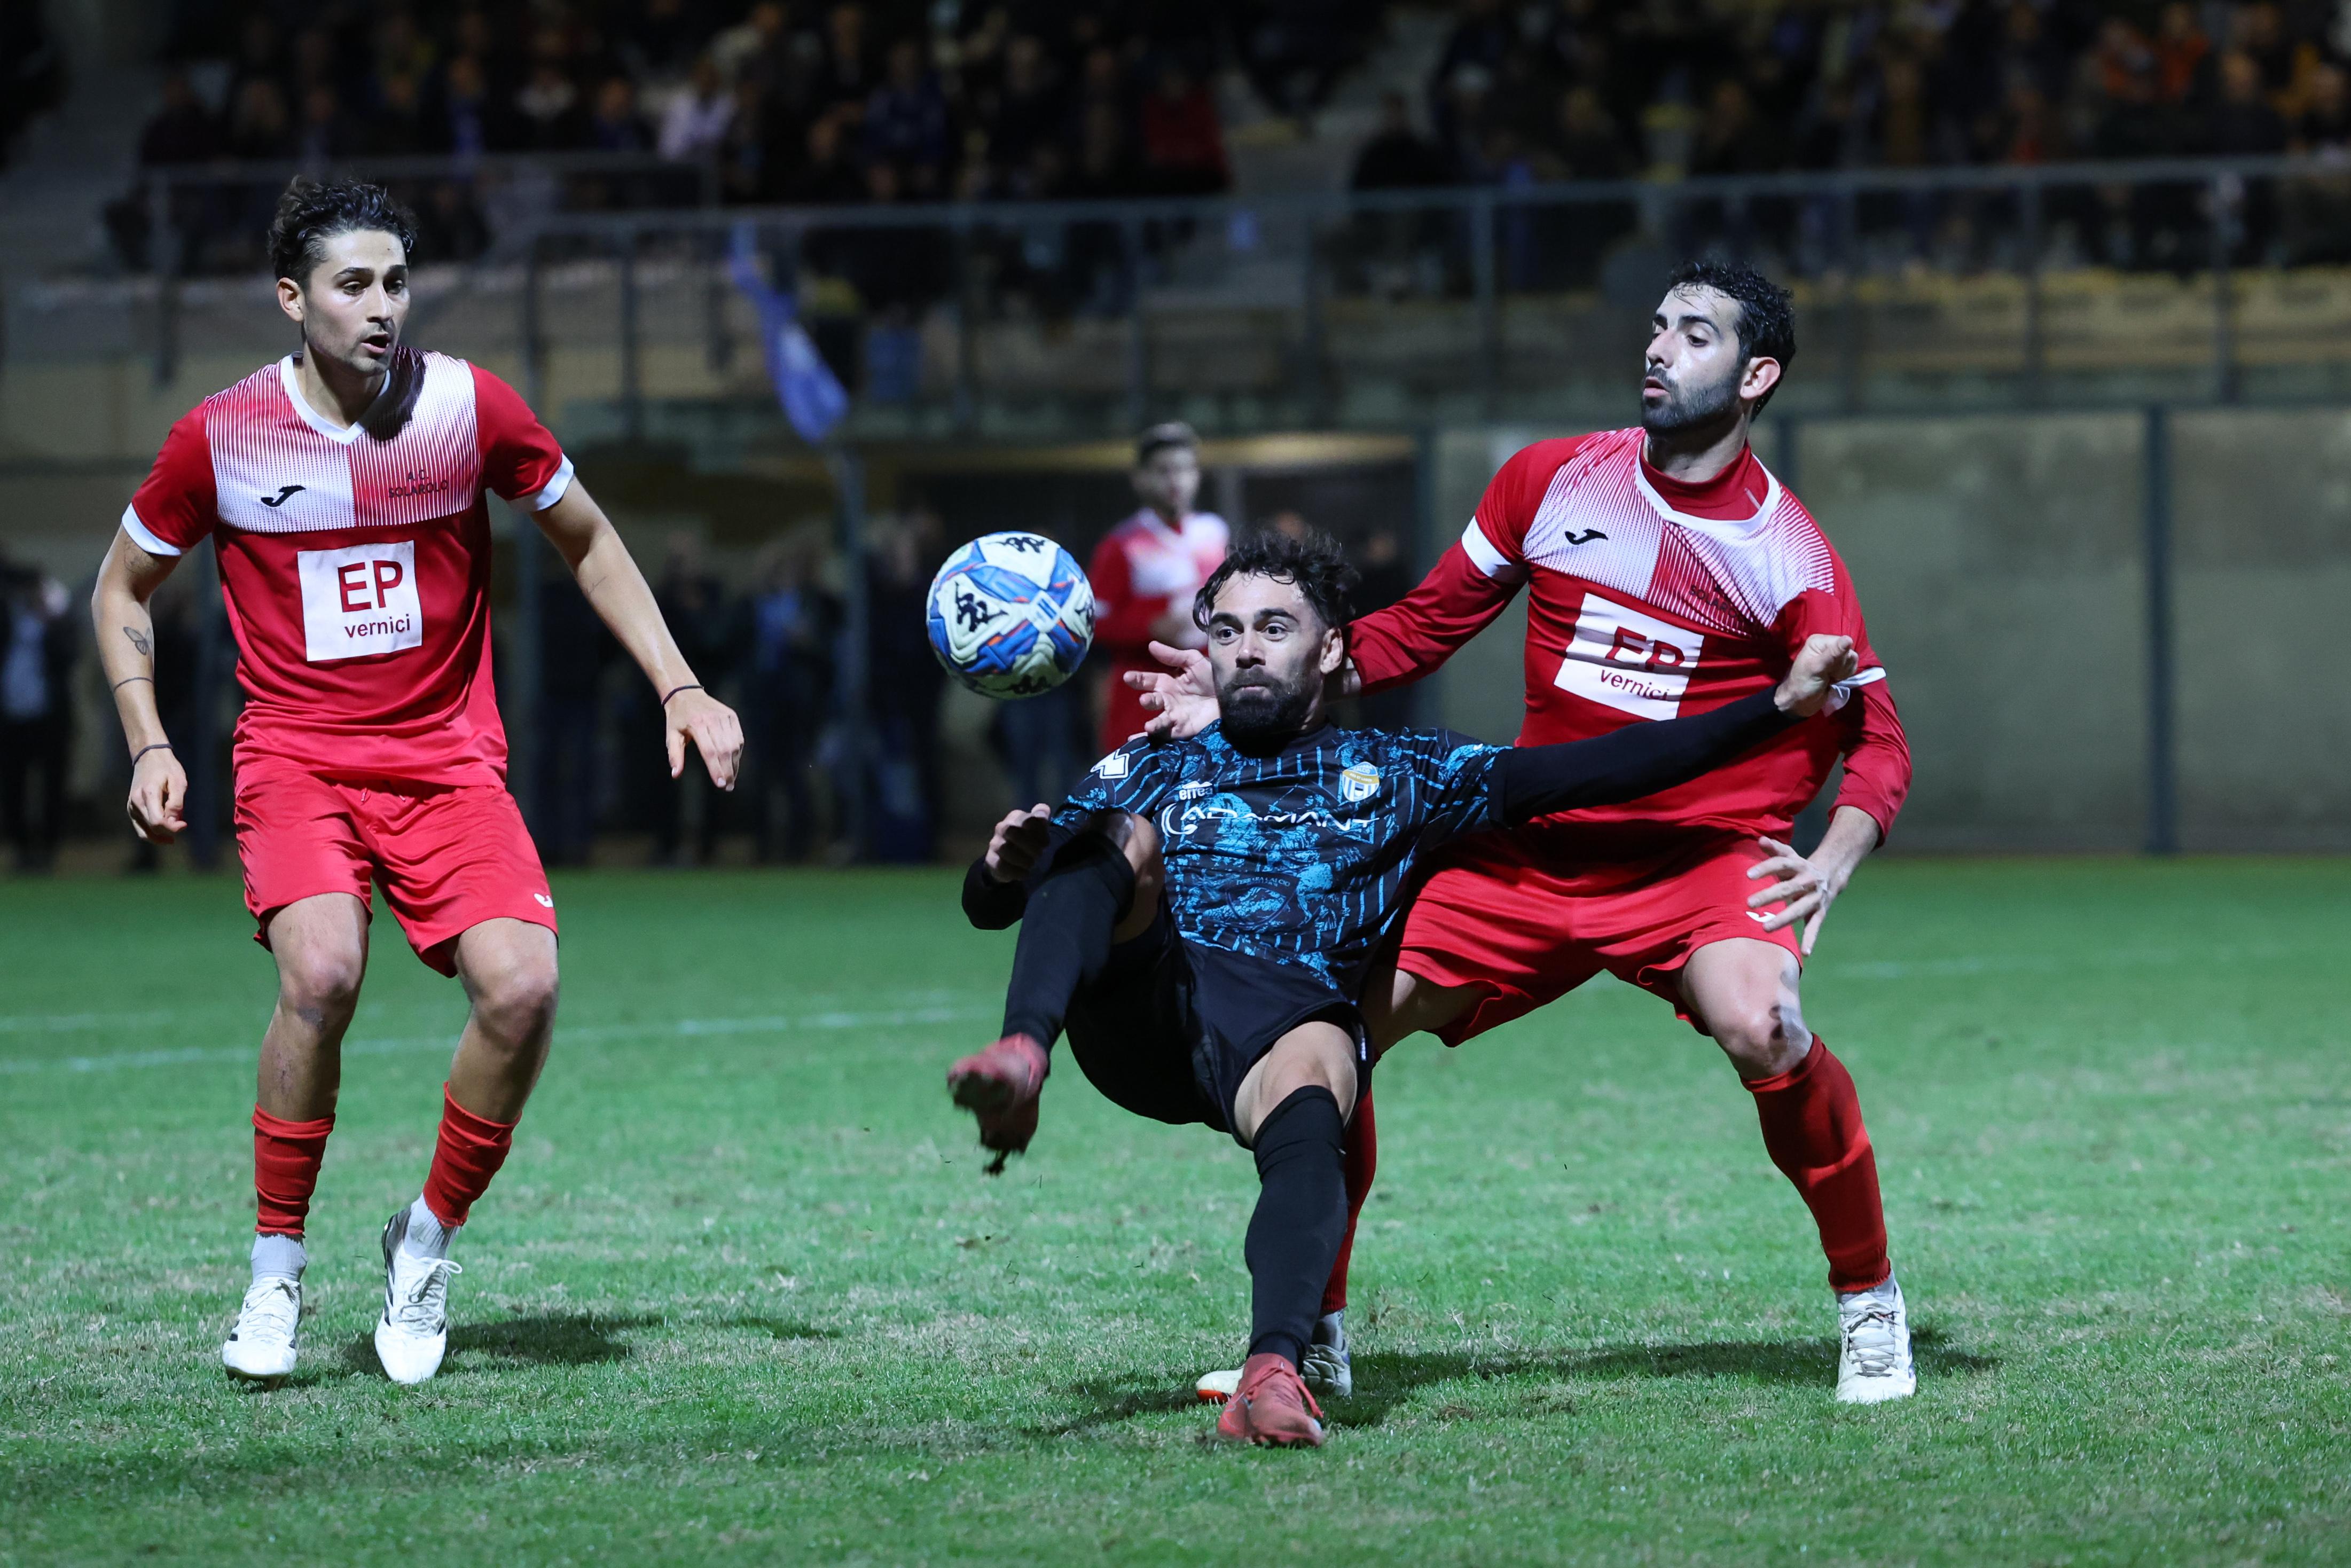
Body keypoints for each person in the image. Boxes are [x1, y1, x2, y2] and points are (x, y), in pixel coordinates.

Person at [1135, 261, 1919, 1406]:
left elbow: (1880, 739)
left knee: (1765, 1027)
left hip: (1695, 866)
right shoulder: (1553, 482)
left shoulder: (1787, 556)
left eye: (1692, 335)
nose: (1657, 349)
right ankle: (1310, 1336)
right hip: (1530, 855)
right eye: (1655, 327)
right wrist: (1253, 689)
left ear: (1754, 375)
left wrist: (1835, 858)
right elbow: (1417, 628)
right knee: (1329, 1040)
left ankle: (1868, 1305)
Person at [947, 528, 1860, 1446]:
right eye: (1224, 631)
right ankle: (1026, 1054)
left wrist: (1777, 709)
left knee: (1322, 1075)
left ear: (1332, 647)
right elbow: (998, 906)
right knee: (1114, 838)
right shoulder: (1154, 760)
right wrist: (999, 870)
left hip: (1277, 1029)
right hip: (1144, 1010)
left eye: (1274, 627)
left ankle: (1274, 1370)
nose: (1246, 650)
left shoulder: (1401, 772)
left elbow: (1595, 771)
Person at [89, 178, 743, 1386]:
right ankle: (274, 1273)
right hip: (296, 755)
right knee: (323, 971)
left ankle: (424, 1243)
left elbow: (587, 537)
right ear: (293, 299)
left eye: (396, 281)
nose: (381, 306)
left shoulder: (468, 407)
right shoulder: (219, 435)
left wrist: (680, 685)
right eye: (352, 285)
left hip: (444, 760)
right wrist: (150, 740)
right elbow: (120, 587)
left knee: (524, 991)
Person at [1085, 423, 1228, 756]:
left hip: (1211, 692)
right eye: (1163, 470)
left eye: (1184, 469)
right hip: (1145, 701)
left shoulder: (1214, 532)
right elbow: (1094, 622)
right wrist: (1150, 626)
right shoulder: (1122, 543)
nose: (1175, 480)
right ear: (1140, 479)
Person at [0, 561, 75, 871]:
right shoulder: (8, 621)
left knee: (52, 788)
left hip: (49, 719)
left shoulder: (56, 622)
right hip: (12, 719)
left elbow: (68, 657)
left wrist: (50, 622)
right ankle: (22, 850)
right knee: (13, 787)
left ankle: (48, 852)